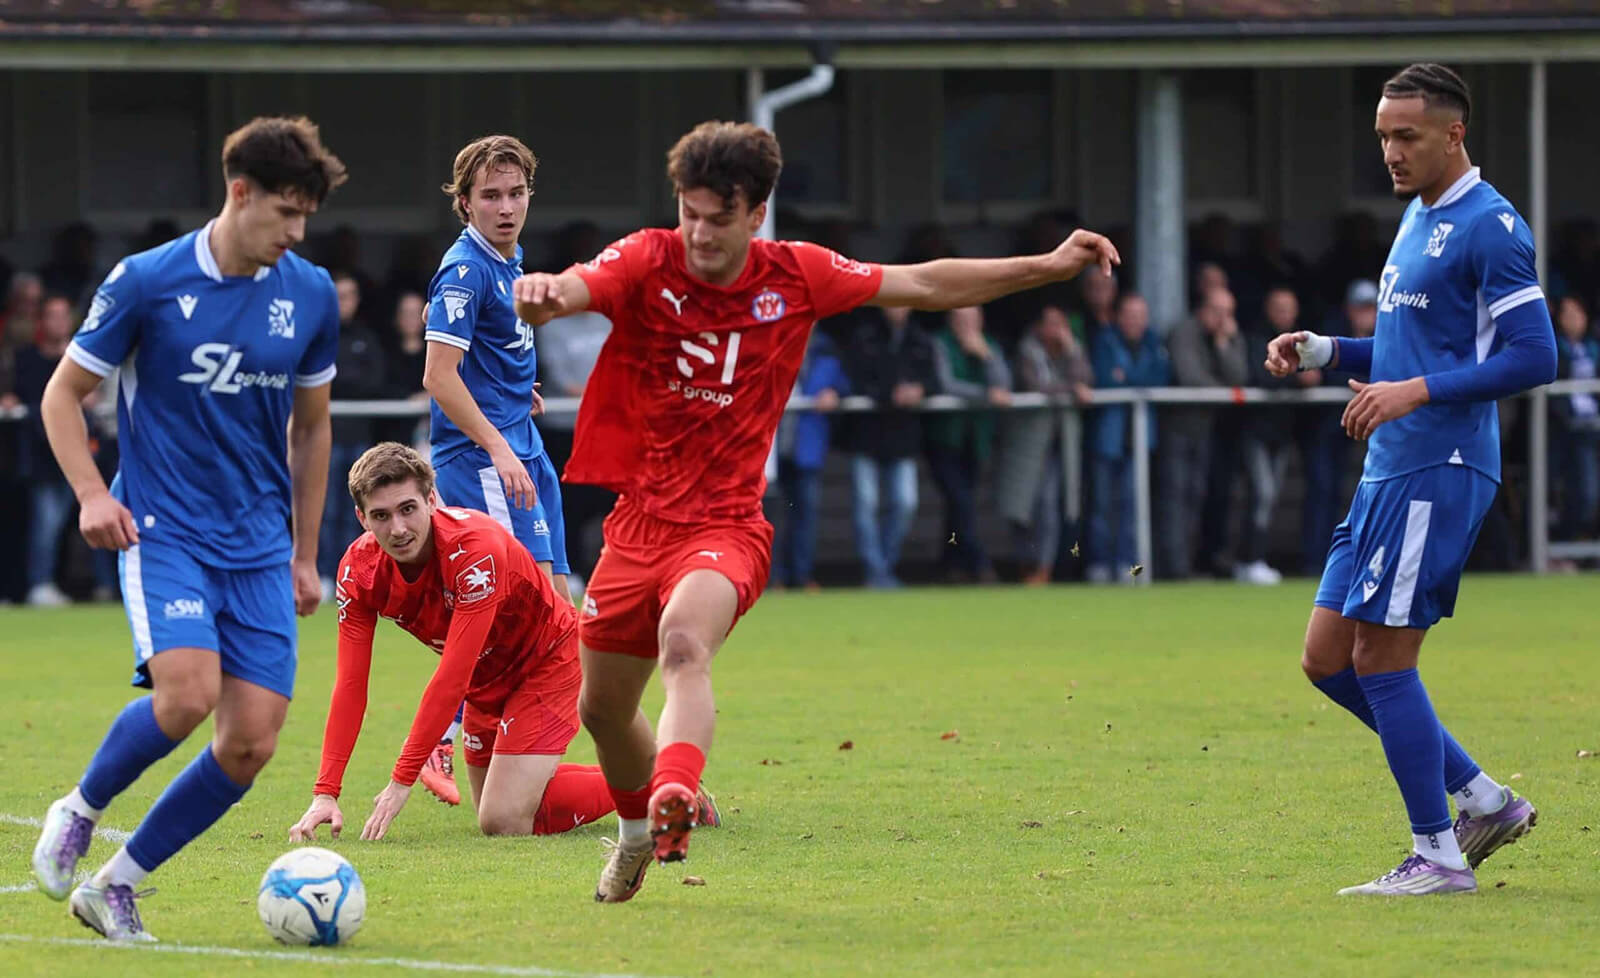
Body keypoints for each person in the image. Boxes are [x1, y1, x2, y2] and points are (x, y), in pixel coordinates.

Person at [512, 119, 1120, 902]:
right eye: (688, 212)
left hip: (726, 525)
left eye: (717, 218)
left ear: (756, 214)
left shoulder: (796, 276)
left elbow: (928, 284)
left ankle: (674, 794)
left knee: (684, 646)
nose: (698, 231)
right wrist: (544, 295)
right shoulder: (648, 255)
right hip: (636, 526)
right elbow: (576, 286)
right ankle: (634, 834)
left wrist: (1047, 264)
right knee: (601, 708)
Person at [29, 116, 346, 940]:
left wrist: (305, 553)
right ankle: (80, 808)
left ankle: (116, 885)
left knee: (249, 744)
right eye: (285, 211)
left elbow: (313, 430)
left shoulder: (308, 293)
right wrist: (95, 495)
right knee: (187, 695)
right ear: (239, 193)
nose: (297, 232)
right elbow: (62, 397)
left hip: (260, 545)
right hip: (164, 529)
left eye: (306, 215)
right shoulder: (145, 281)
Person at [1266, 64, 1554, 896]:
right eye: (1384, 137)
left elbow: (1536, 355)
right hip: (1388, 469)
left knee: (1383, 659)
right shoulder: (1418, 218)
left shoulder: (1490, 226)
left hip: (1440, 465)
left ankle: (1438, 854)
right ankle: (1483, 800)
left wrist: (1415, 392)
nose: (1391, 152)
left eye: (1407, 137)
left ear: (1454, 133)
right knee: (1327, 660)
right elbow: (1403, 358)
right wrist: (1323, 352)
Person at [287, 444, 698, 842]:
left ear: (432, 500)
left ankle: (667, 787)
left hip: (548, 660)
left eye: (407, 509)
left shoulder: (473, 551)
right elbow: (350, 686)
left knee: (503, 818)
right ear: (361, 518)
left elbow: (452, 675)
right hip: (486, 681)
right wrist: (326, 792)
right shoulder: (357, 572)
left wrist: (401, 780)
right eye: (381, 515)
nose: (397, 528)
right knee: (495, 806)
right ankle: (655, 777)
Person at [421, 135, 571, 805]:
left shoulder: (510, 260)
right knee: (530, 617)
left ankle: (493, 751)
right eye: (490, 196)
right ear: (464, 204)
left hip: (519, 444)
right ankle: (450, 737)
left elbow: (486, 356)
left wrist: (516, 396)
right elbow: (438, 376)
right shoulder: (465, 271)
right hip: (486, 461)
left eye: (515, 194)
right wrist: (500, 443)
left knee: (558, 607)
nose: (505, 207)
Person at [1087, 292, 1169, 582]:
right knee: (1101, 506)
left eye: (1140, 316)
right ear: (1119, 316)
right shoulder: (1105, 341)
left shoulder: (1154, 344)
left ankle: (1128, 566)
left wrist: (1128, 378)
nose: (1135, 321)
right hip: (1108, 438)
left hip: (1139, 440)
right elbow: (1104, 378)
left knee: (1132, 507)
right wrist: (1133, 380)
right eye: (1130, 315)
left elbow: (1159, 378)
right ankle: (1098, 566)